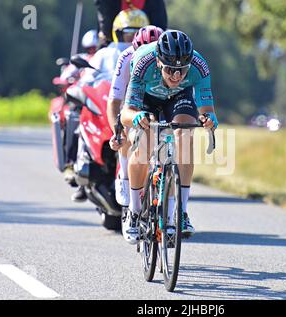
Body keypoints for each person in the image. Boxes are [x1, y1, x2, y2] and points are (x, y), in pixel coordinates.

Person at [120, 30, 218, 244]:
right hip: (146, 97)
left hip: (178, 98)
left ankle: (180, 212)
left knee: (184, 136)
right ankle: (135, 211)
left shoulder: (199, 67)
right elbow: (127, 114)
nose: (176, 76)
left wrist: (209, 120)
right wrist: (137, 118)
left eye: (182, 70)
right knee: (144, 144)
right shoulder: (143, 63)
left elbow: (206, 109)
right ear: (158, 61)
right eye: (171, 69)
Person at [70, 8, 150, 202]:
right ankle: (78, 168)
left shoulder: (149, 55)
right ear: (117, 32)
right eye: (128, 33)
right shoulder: (105, 53)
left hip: (136, 104)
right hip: (107, 100)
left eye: (137, 33)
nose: (132, 38)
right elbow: (87, 78)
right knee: (79, 119)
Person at [107, 25, 164, 208]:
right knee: (126, 133)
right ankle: (124, 177)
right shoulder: (125, 58)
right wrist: (117, 133)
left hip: (156, 98)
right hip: (132, 99)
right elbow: (115, 101)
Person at [60, 29, 99, 190]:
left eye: (95, 48)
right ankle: (70, 163)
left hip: (100, 100)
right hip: (82, 101)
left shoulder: (105, 57)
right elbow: (65, 77)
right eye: (90, 48)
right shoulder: (82, 59)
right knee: (73, 117)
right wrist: (69, 79)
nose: (93, 51)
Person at [94, 0, 167, 48]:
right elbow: (106, 30)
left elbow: (159, 30)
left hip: (146, 47)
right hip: (114, 45)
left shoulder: (156, 2)